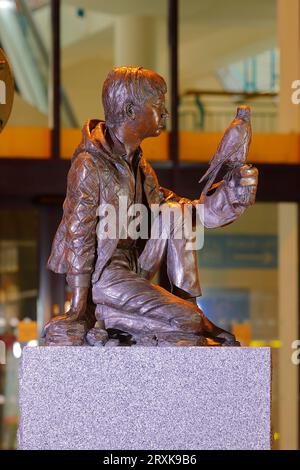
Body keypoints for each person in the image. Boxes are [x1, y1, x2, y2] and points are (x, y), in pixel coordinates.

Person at [44, 66, 258, 346]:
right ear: (131, 110)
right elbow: (78, 235)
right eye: (158, 106)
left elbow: (192, 212)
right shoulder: (89, 165)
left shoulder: (140, 166)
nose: (166, 114)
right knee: (189, 322)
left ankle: (179, 309)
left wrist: (235, 192)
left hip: (135, 269)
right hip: (104, 275)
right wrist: (78, 308)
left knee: (173, 212)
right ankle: (110, 314)